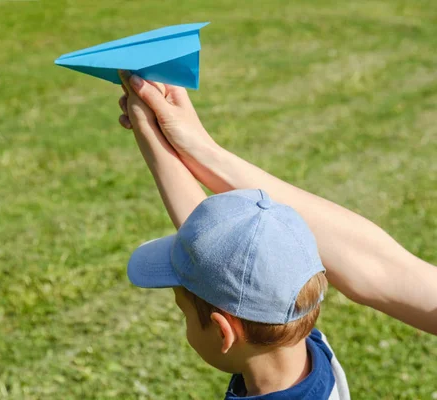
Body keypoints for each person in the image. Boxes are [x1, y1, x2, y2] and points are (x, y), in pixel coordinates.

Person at [116, 71, 437, 336]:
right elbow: (383, 269)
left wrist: (165, 140)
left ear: (226, 333)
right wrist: (200, 149)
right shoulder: (304, 356)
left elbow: (385, 270)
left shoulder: (298, 352)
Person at [118, 71, 350, 399]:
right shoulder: (304, 346)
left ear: (223, 331)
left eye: (183, 312)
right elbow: (213, 241)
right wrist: (148, 126)